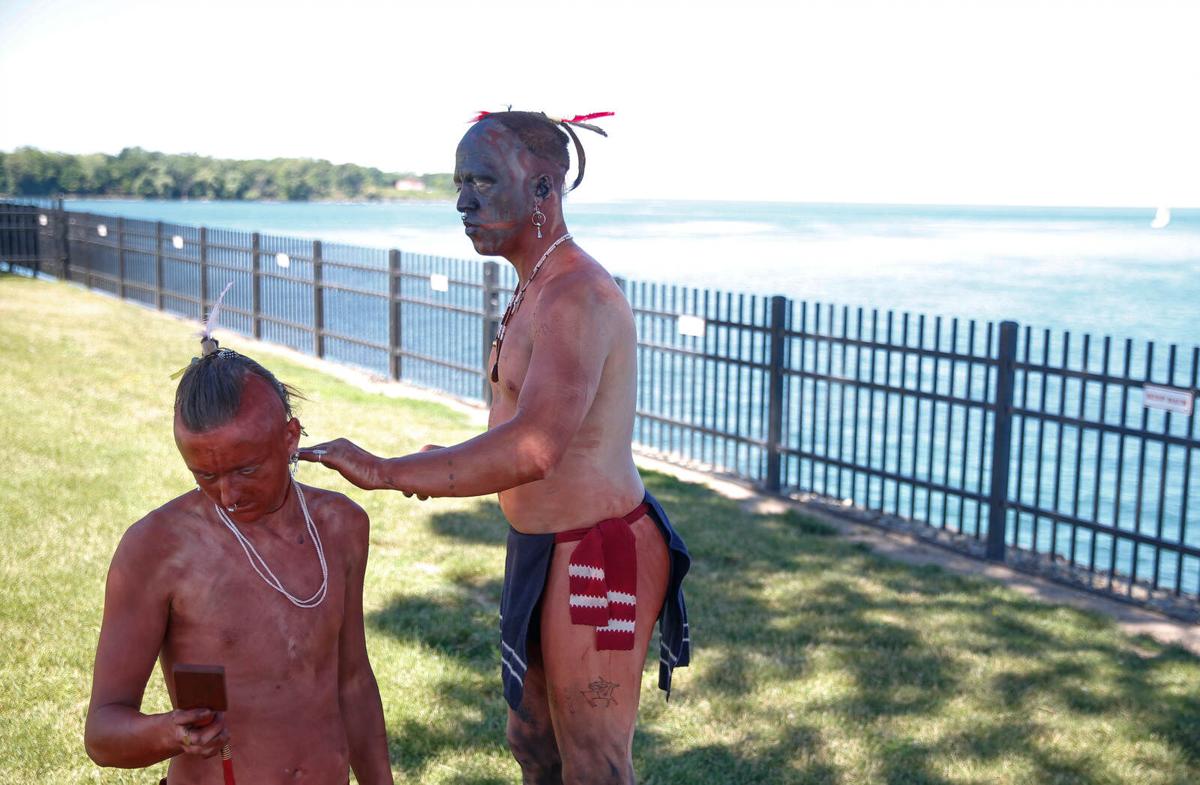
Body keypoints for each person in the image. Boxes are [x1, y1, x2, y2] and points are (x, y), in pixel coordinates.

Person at [300, 110, 690, 785]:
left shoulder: (576, 296)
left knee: (594, 763)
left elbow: (535, 448)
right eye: (458, 182)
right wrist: (439, 461)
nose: (462, 202)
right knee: (533, 739)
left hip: (599, 552)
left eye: (482, 180)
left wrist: (389, 471)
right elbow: (515, 429)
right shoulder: (534, 283)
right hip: (541, 545)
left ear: (543, 189)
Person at [84, 338, 394, 785]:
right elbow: (103, 733)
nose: (228, 495)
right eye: (206, 476)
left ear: (290, 437)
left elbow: (353, 682)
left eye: (246, 470)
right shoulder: (156, 548)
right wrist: (169, 733)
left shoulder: (342, 525)